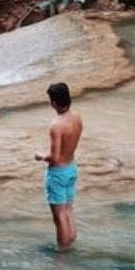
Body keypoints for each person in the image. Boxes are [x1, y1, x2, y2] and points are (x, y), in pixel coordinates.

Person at [34, 81, 82, 249]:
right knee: (68, 210)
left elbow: (54, 157)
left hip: (58, 173)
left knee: (59, 216)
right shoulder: (76, 117)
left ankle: (62, 255)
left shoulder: (56, 125)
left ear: (53, 102)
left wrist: (40, 156)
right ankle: (71, 245)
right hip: (71, 169)